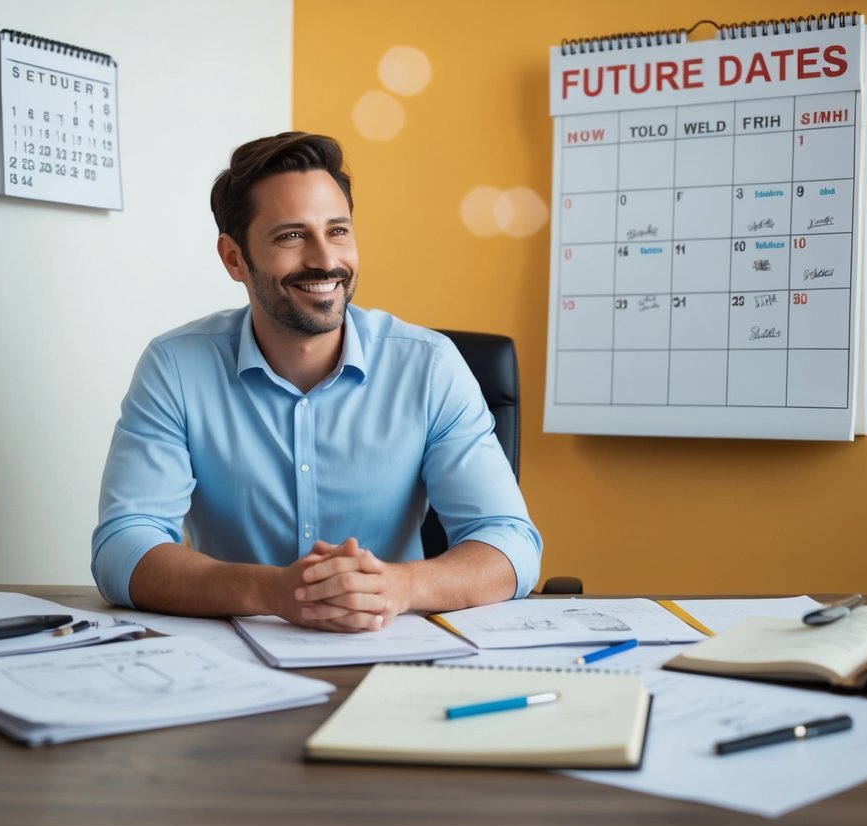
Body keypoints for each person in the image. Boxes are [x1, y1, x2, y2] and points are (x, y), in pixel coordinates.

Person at [92, 131, 541, 633]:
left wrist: (398, 587)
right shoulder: (175, 367)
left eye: (338, 231)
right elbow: (123, 547)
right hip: (235, 663)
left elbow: (510, 543)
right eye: (291, 236)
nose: (325, 260)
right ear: (234, 258)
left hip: (394, 653)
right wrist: (269, 591)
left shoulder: (429, 366)